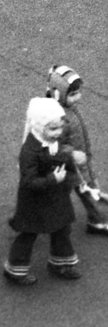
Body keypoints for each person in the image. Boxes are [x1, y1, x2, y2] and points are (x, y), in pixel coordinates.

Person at [6, 96, 85, 286]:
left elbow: (62, 159)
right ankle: (15, 268)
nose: (58, 133)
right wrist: (53, 179)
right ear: (40, 126)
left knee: (61, 229)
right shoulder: (30, 151)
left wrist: (76, 174)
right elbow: (29, 181)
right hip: (35, 202)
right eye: (53, 129)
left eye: (60, 128)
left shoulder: (51, 142)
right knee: (28, 234)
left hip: (55, 196)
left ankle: (61, 263)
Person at [46, 64, 107, 236]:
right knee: (87, 191)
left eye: (78, 92)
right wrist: (71, 153)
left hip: (79, 163)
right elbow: (53, 144)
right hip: (71, 166)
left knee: (78, 191)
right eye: (73, 94)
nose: (78, 97)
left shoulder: (69, 110)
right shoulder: (58, 118)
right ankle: (97, 221)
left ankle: (45, 215)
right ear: (58, 93)